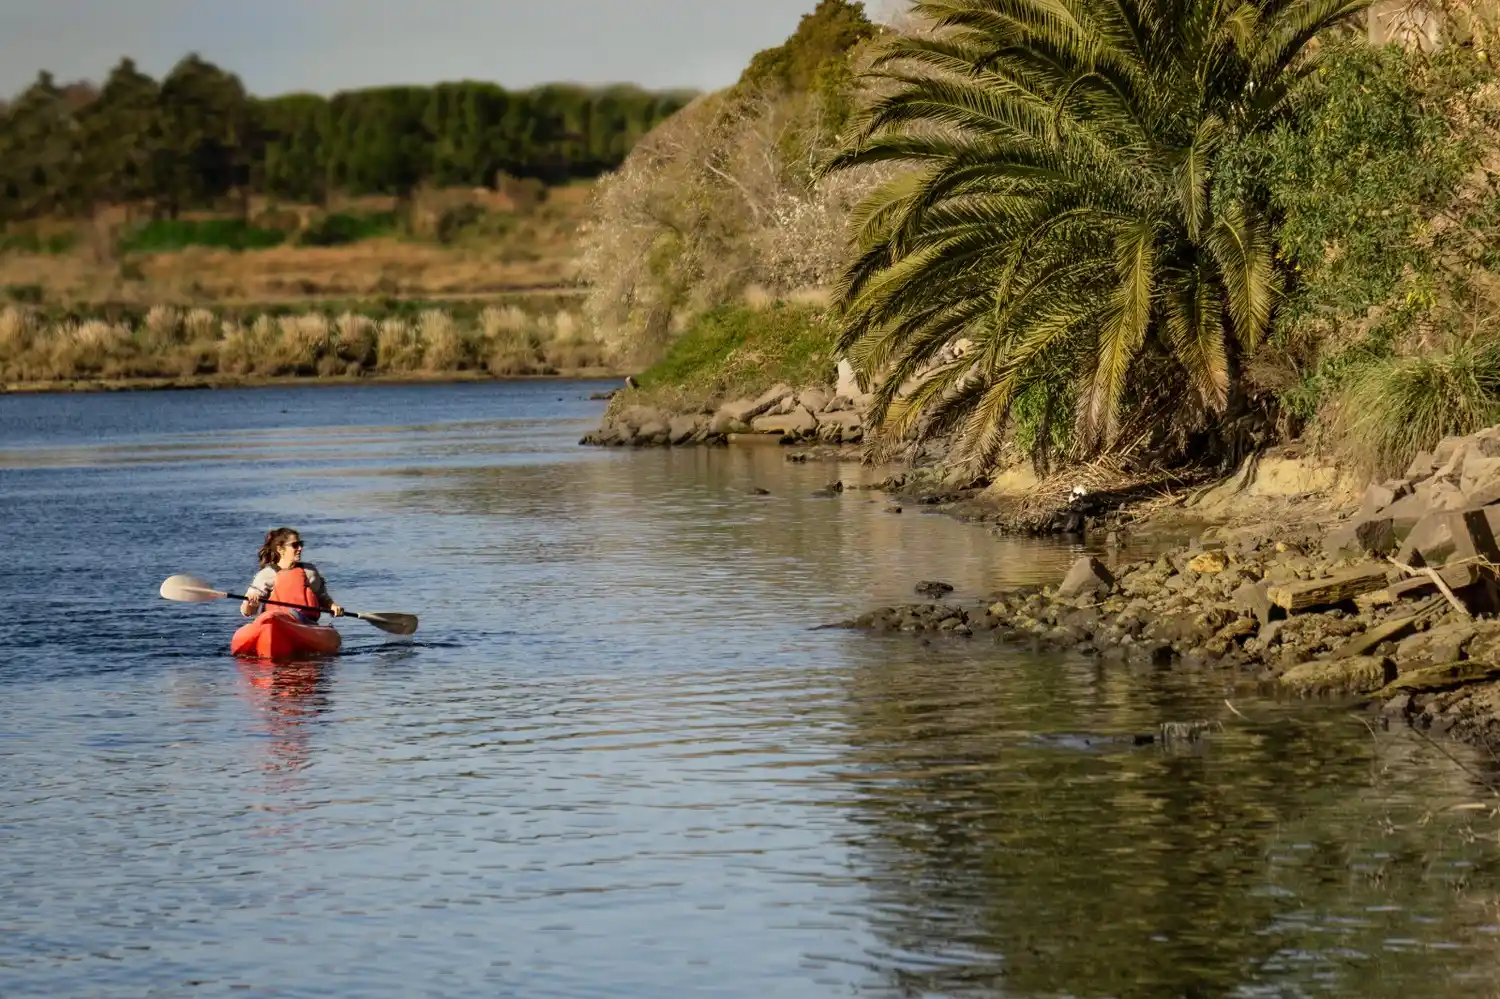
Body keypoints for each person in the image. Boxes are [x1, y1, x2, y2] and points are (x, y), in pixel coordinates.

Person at [240, 527, 344, 622]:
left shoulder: (310, 571)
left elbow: (322, 597)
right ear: (280, 549)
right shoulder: (265, 575)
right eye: (295, 545)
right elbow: (247, 611)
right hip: (276, 622)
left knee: (296, 616)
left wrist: (333, 606)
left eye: (301, 544)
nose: (300, 548)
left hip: (306, 623)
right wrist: (251, 604)